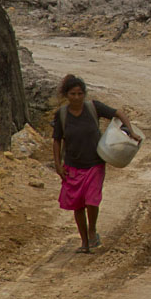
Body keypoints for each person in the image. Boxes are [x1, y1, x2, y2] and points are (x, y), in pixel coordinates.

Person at [52, 74, 139, 254]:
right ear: (66, 95)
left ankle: (92, 231)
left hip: (95, 164)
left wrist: (130, 131)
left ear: (84, 94)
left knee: (92, 201)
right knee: (77, 205)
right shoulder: (61, 115)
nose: (76, 97)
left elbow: (119, 113)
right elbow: (57, 140)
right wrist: (57, 165)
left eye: (79, 93)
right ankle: (84, 242)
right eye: (72, 94)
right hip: (72, 166)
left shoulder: (93, 108)